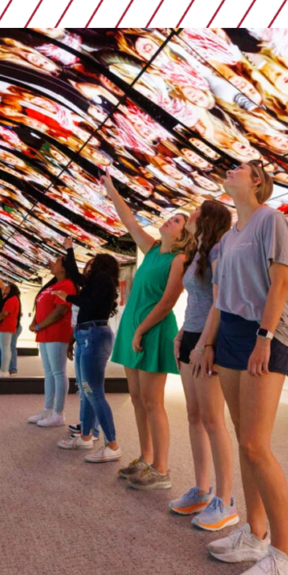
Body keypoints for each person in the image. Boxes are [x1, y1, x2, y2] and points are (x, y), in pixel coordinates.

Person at [196, 161, 288, 575]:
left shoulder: (271, 220)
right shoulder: (226, 239)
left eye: (238, 168)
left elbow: (280, 285)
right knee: (244, 439)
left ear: (257, 180)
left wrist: (265, 336)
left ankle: (286, 557)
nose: (229, 171)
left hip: (265, 334)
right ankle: (255, 534)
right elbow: (220, 302)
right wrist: (207, 344)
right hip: (231, 338)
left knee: (257, 445)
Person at [103, 173, 192, 491]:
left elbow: (168, 301)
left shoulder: (179, 258)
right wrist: (112, 188)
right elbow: (128, 220)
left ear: (185, 233)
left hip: (152, 330)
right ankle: (146, 456)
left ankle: (162, 469)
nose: (171, 220)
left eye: (178, 220)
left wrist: (140, 330)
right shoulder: (153, 248)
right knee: (138, 398)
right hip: (134, 328)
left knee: (154, 402)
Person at [173, 200, 239, 532]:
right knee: (194, 415)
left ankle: (225, 501)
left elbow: (219, 303)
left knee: (214, 420)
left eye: (197, 212)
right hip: (191, 337)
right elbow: (195, 301)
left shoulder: (217, 252)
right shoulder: (199, 252)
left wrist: (204, 344)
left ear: (207, 219)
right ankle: (201, 490)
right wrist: (183, 333)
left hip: (207, 342)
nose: (191, 215)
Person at [54, 251, 122, 464]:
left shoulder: (102, 280)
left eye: (91, 264)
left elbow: (88, 303)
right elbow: (76, 277)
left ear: (100, 265)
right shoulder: (98, 281)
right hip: (86, 333)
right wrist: (70, 250)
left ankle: (112, 445)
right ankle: (85, 436)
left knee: (93, 391)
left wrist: (69, 298)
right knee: (86, 390)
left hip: (93, 336)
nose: (88, 268)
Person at [27, 239, 79, 428]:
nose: (52, 264)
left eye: (57, 261)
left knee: (58, 372)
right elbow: (41, 307)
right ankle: (47, 410)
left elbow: (59, 311)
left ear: (64, 268)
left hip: (57, 333)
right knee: (49, 373)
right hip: (45, 334)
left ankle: (59, 413)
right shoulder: (51, 286)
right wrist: (34, 323)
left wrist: (39, 326)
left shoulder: (67, 285)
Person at [0, 282, 21, 378]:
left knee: (5, 349)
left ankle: (4, 371)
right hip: (4, 326)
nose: (5, 288)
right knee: (5, 349)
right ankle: (4, 370)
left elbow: (4, 313)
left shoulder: (12, 299)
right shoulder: (10, 299)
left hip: (6, 326)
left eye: (8, 287)